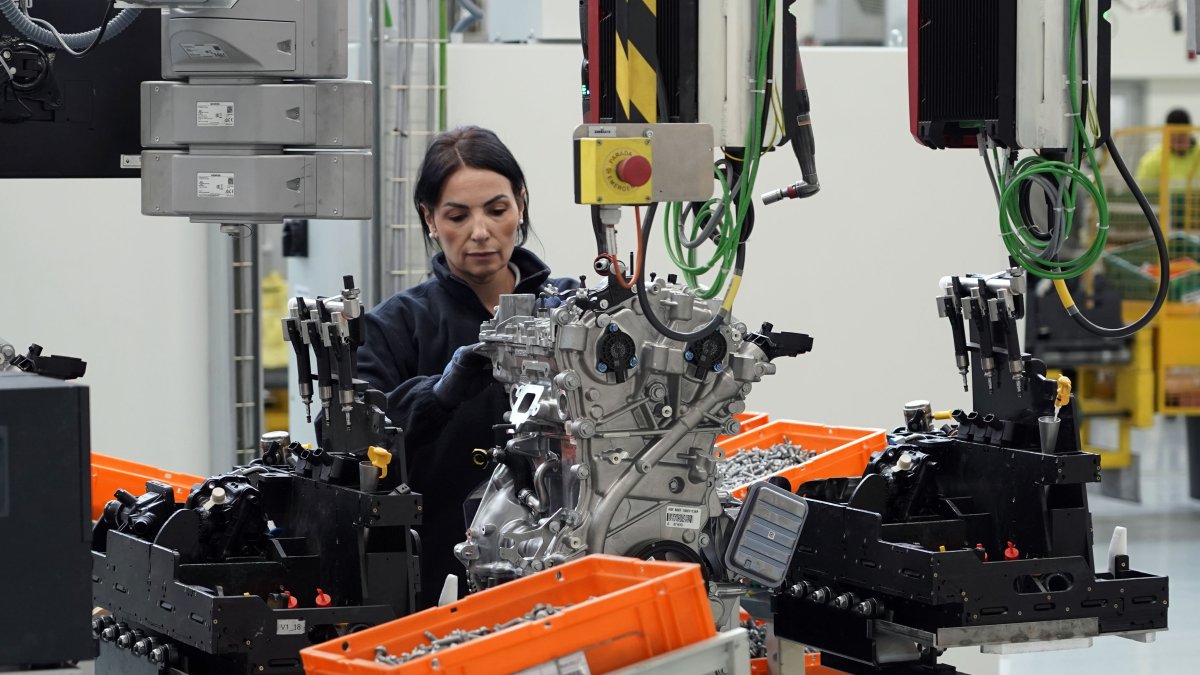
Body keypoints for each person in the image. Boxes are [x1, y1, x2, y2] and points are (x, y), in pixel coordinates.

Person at [356, 126, 578, 608]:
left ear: (519, 204)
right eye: (457, 215)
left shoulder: (573, 313)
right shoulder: (395, 327)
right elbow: (361, 451)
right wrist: (438, 394)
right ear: (430, 219)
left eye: (497, 211)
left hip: (565, 568)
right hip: (439, 576)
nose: (480, 232)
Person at [1135, 108, 1200, 187]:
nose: (1179, 138)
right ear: (1167, 133)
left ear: (1190, 131)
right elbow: (1144, 193)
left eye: (1183, 133)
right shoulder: (1151, 161)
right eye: (1174, 134)